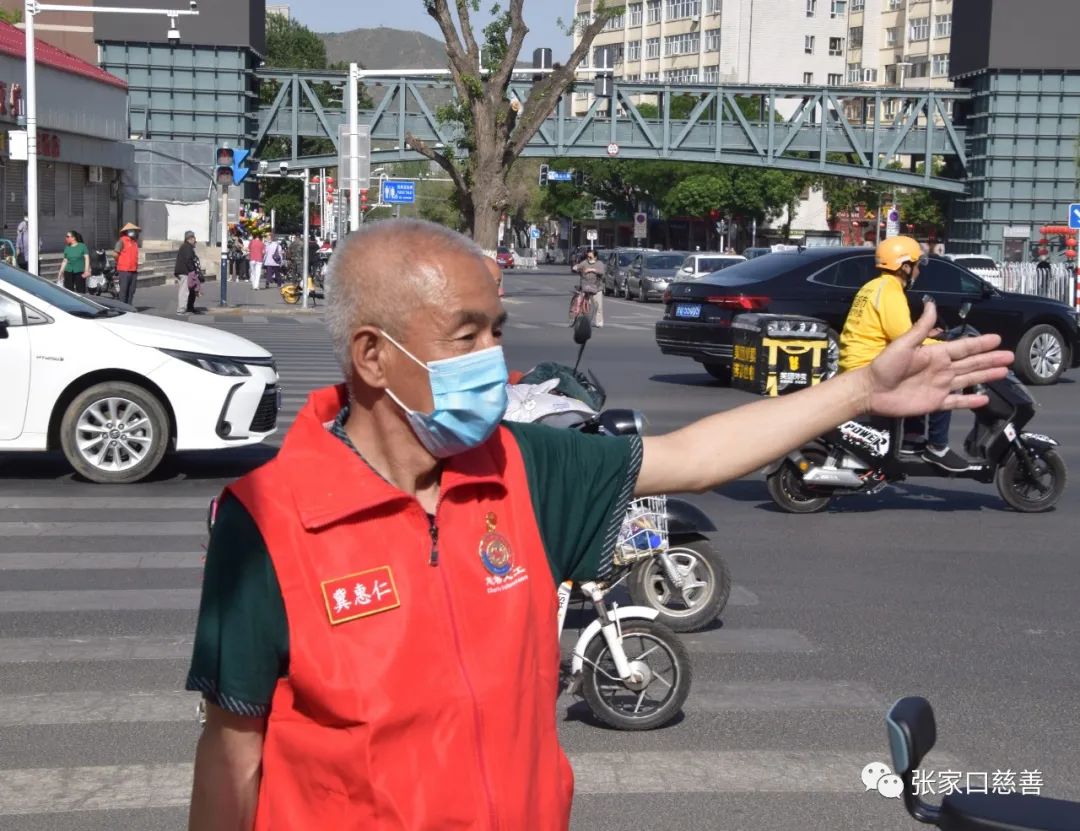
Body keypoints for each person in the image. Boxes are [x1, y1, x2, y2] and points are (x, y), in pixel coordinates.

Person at [185, 219, 1010, 831]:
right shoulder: (269, 517)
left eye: (497, 330)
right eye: (466, 335)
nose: (492, 357)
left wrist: (862, 390)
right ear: (373, 356)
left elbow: (694, 456)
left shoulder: (522, 467)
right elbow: (233, 753)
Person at [839, 235, 971, 472]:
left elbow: (894, 331)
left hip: (859, 362)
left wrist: (928, 334)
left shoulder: (873, 286)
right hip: (871, 366)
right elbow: (905, 341)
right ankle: (937, 447)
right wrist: (944, 346)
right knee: (944, 377)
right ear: (905, 267)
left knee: (919, 369)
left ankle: (911, 438)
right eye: (917, 265)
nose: (919, 271)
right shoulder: (891, 291)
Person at [573, 247, 605, 327]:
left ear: (595, 257)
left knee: (598, 306)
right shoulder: (584, 262)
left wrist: (591, 270)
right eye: (587, 256)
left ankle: (599, 322)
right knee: (587, 306)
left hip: (597, 288)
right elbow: (577, 267)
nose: (588, 258)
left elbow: (602, 272)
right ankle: (585, 320)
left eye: (590, 257)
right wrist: (576, 267)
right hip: (586, 287)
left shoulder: (599, 263)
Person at [174, 230, 202, 315]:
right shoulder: (187, 247)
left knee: (189, 290)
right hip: (184, 272)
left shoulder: (186, 247)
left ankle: (189, 308)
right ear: (190, 239)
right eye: (194, 238)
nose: (195, 241)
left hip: (184, 271)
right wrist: (192, 271)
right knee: (184, 291)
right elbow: (188, 260)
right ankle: (181, 309)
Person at [114, 222, 141, 306]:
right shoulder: (121, 241)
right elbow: (115, 254)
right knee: (124, 290)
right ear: (126, 232)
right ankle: (122, 307)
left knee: (131, 290)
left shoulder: (134, 243)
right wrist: (120, 262)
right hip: (124, 270)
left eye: (133, 231)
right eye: (130, 230)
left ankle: (129, 306)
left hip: (133, 270)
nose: (133, 232)